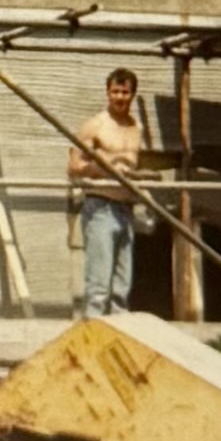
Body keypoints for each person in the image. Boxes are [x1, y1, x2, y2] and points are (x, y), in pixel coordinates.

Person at [68, 66, 147, 317]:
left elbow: (136, 165)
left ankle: (118, 345)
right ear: (107, 92)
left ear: (132, 94)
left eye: (125, 92)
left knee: (121, 291)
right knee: (99, 289)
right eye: (115, 91)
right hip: (101, 208)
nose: (120, 97)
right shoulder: (95, 125)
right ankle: (92, 343)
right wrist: (106, 168)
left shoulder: (137, 127)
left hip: (126, 209)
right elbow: (74, 167)